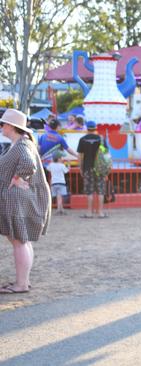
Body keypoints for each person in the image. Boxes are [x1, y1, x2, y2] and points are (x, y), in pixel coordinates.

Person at [0, 109, 51, 294]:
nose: (1, 127)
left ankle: (21, 284)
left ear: (12, 127)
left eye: (3, 124)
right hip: (18, 199)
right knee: (22, 241)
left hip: (17, 200)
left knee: (19, 241)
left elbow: (28, 164)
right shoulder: (22, 143)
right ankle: (23, 281)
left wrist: (17, 178)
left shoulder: (21, 145)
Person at [76, 121, 107, 218]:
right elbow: (106, 155)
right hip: (100, 168)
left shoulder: (82, 140)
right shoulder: (101, 139)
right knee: (100, 191)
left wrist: (80, 168)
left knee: (89, 191)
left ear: (87, 128)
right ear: (95, 128)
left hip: (87, 167)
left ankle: (89, 213)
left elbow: (80, 156)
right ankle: (100, 213)